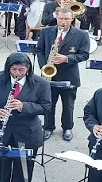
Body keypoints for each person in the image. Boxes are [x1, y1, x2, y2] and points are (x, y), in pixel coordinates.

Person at [0, 53, 51, 182]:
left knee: (24, 166)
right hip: (1, 130)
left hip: (27, 133)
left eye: (21, 70)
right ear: (8, 68)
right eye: (13, 69)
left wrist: (23, 106)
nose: (17, 74)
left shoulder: (41, 83)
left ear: (28, 69)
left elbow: (46, 107)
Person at [37, 8, 90, 141]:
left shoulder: (81, 34)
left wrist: (66, 58)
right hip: (49, 75)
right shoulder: (46, 31)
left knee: (68, 105)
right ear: (57, 18)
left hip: (69, 75)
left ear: (72, 19)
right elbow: (39, 50)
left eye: (66, 19)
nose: (63, 22)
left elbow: (84, 55)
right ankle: (48, 127)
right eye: (61, 18)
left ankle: (67, 127)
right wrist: (44, 67)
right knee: (49, 103)